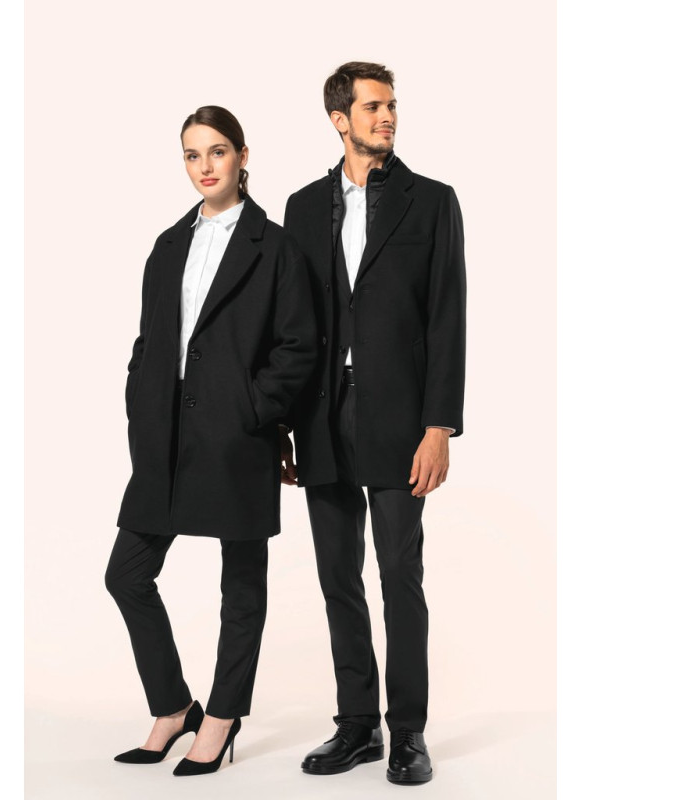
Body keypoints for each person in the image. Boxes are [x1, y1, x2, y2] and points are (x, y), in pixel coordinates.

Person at [105, 105, 316, 777]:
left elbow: (298, 347)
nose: (205, 166)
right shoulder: (169, 243)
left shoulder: (275, 246)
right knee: (126, 575)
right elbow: (150, 339)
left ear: (242, 156)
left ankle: (222, 718)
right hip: (164, 437)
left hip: (236, 437)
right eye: (193, 154)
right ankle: (173, 707)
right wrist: (140, 401)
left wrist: (254, 409)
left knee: (241, 584)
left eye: (217, 151)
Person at [282, 62, 467, 785]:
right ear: (340, 120)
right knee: (337, 576)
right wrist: (282, 426)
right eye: (372, 107)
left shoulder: (432, 202)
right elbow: (290, 324)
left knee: (399, 575)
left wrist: (439, 427)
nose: (387, 117)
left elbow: (447, 318)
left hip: (399, 418)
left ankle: (408, 731)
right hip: (321, 416)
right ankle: (357, 725)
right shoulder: (303, 208)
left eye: (391, 105)